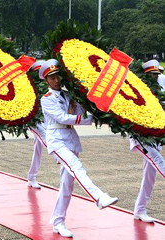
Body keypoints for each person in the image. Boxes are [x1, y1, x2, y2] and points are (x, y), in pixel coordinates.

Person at [39, 59, 118, 238]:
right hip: (57, 140)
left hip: (71, 139)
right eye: (51, 78)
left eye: (57, 76)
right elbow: (63, 118)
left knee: (67, 185)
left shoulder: (68, 95)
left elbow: (81, 111)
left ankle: (58, 221)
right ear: (46, 81)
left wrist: (98, 111)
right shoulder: (47, 99)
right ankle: (98, 197)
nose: (56, 80)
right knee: (76, 167)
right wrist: (90, 120)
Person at [127, 60, 165, 223]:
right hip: (140, 138)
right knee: (159, 161)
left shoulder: (158, 93)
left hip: (154, 138)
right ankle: (140, 209)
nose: (154, 78)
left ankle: (139, 210)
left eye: (156, 75)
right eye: (151, 75)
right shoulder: (136, 93)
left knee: (150, 175)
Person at [27, 60, 47, 189]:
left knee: (37, 149)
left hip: (44, 119)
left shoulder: (47, 86)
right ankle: (57, 155)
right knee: (45, 136)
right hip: (33, 120)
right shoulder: (29, 86)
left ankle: (32, 177)